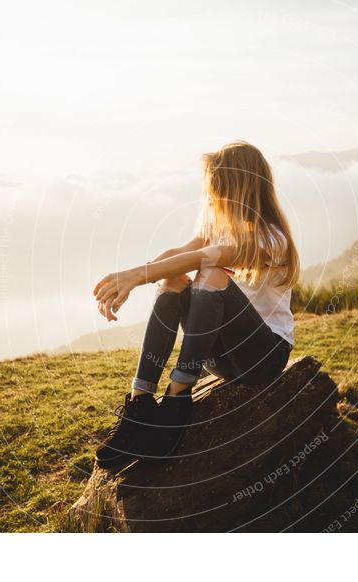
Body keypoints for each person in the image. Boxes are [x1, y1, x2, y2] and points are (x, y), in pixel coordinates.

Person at [92, 140, 300, 469]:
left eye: (216, 187)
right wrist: (131, 278)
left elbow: (205, 258)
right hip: (220, 357)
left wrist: (137, 276)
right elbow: (180, 255)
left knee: (212, 273)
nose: (211, 196)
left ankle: (178, 397)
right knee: (173, 278)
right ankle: (141, 401)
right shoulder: (218, 230)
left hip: (262, 356)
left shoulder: (271, 238)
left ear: (236, 187)